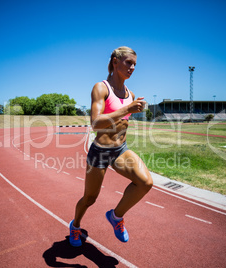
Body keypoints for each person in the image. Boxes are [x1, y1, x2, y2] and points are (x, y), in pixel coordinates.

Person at [69, 46, 153, 247]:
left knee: (145, 183)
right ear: (115, 62)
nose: (132, 68)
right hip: (99, 152)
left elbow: (122, 120)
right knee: (89, 198)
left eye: (135, 64)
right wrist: (127, 109)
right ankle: (75, 226)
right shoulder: (101, 87)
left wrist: (134, 107)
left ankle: (116, 217)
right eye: (128, 63)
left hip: (120, 150)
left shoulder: (130, 93)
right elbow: (96, 123)